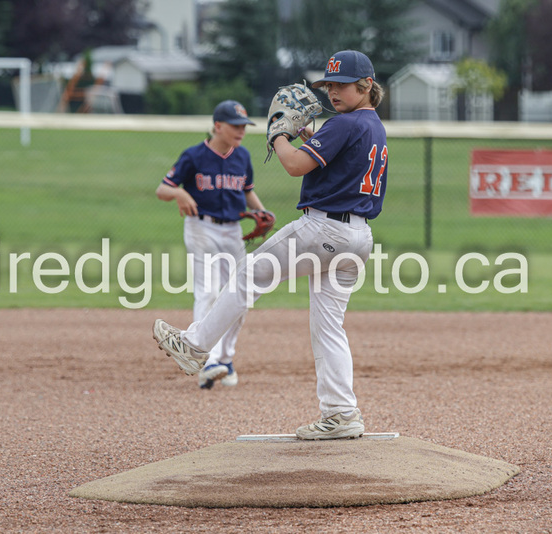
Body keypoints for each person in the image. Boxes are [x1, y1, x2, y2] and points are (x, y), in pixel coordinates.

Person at [153, 50, 388, 439]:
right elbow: (339, 163)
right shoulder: (371, 124)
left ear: (365, 85)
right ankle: (342, 413)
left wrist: (279, 132)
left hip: (324, 230)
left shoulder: (345, 123)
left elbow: (295, 164)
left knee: (248, 275)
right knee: (328, 328)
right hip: (357, 239)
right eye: (329, 85)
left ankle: (195, 346)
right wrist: (311, 136)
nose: (332, 91)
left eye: (341, 84)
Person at [155, 100, 269, 390]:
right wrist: (180, 194)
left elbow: (248, 193)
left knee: (240, 296)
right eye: (235, 125)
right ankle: (207, 360)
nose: (241, 131)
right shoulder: (193, 156)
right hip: (200, 227)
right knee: (207, 291)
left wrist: (262, 212)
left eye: (244, 126)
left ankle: (225, 360)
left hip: (232, 231)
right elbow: (163, 189)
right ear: (217, 126)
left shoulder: (242, 156)